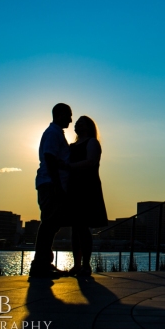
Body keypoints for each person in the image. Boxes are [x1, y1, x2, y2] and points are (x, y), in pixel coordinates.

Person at [30, 103, 73, 278]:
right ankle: (40, 264)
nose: (71, 119)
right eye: (68, 115)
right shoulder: (53, 134)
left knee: (52, 223)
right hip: (50, 184)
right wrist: (57, 185)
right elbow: (49, 157)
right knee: (49, 222)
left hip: (51, 183)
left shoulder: (56, 134)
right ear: (60, 114)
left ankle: (44, 262)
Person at [65, 115, 108, 277]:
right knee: (75, 228)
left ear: (89, 126)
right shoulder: (72, 145)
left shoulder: (92, 143)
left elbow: (91, 162)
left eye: (81, 123)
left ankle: (86, 265)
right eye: (77, 123)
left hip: (87, 186)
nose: (78, 125)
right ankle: (77, 264)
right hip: (74, 187)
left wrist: (69, 166)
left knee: (83, 227)